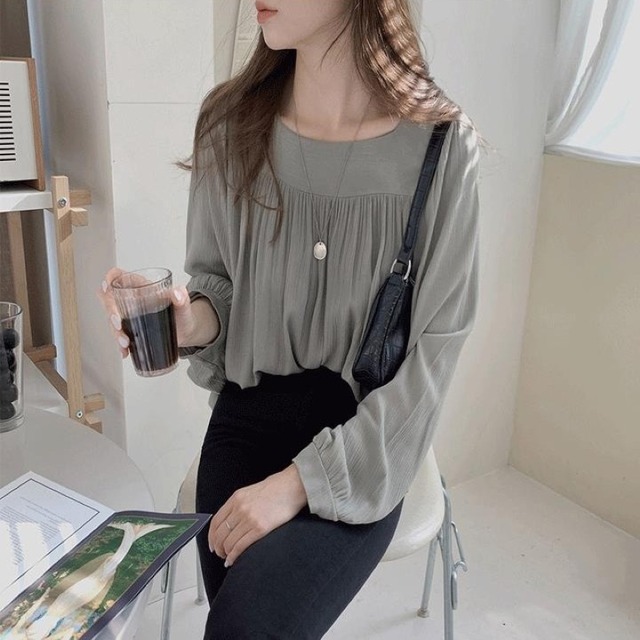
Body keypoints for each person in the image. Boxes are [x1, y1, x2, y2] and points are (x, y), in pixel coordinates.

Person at [99, 0, 480, 637]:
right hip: (245, 425)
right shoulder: (229, 123)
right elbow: (219, 288)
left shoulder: (441, 147)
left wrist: (302, 483)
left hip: (363, 443)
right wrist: (186, 322)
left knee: (248, 624)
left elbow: (434, 353)